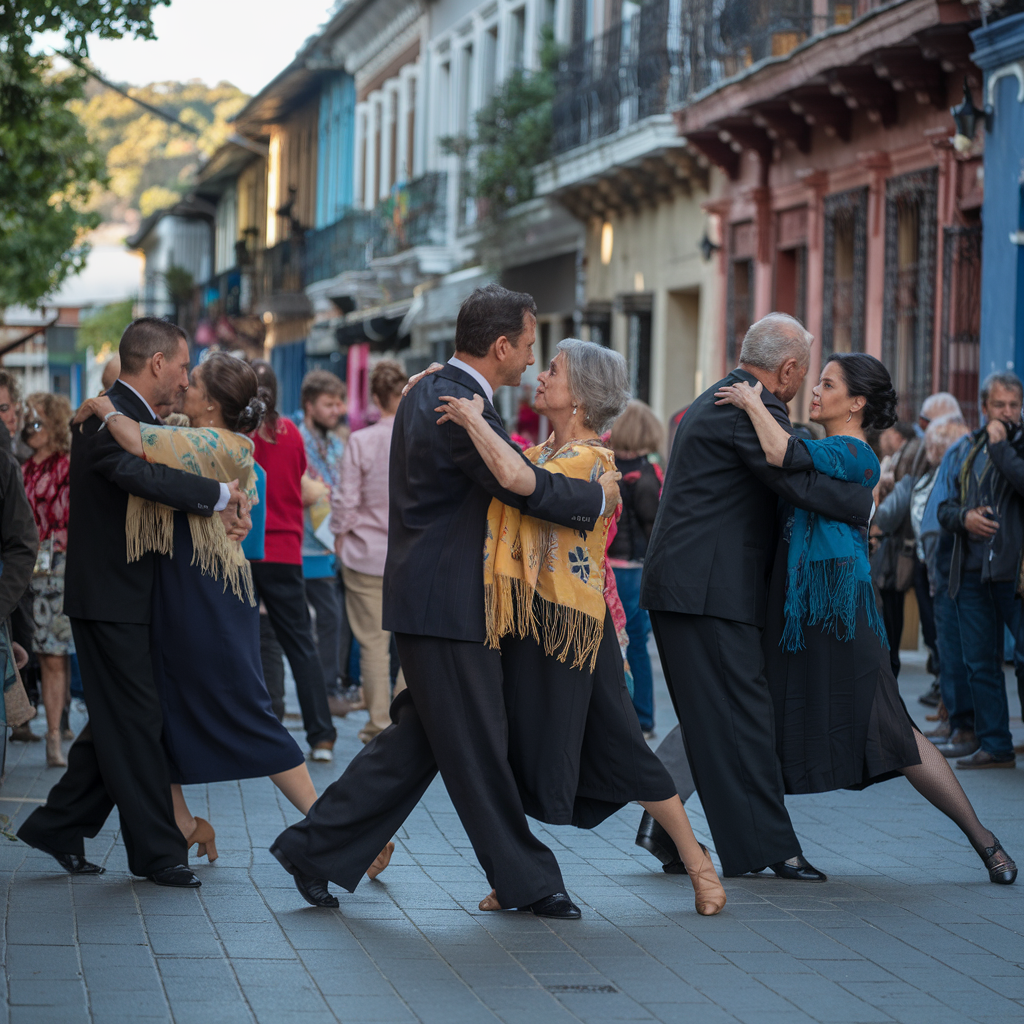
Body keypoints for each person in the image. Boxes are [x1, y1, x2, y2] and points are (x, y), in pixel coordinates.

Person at [270, 284, 620, 916]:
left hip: (437, 600)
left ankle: (313, 850)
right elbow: (524, 487)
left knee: (419, 745)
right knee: (478, 747)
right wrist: (596, 499)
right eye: (529, 348)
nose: (531, 363)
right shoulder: (454, 403)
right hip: (448, 603)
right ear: (501, 345)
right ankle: (530, 880)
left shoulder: (437, 391)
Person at [438, 339, 726, 917]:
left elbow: (518, 479)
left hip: (575, 630)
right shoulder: (547, 448)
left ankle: (698, 865)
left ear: (583, 396)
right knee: (509, 748)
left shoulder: (591, 462)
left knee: (625, 749)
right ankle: (516, 873)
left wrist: (473, 415)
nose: (541, 378)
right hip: (528, 622)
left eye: (554, 371)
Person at [713, 354, 1016, 885]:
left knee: (895, 730)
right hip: (799, 609)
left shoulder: (856, 453)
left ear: (856, 403)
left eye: (827, 384)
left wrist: (750, 399)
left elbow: (782, 451)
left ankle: (983, 838)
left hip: (843, 609)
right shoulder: (828, 450)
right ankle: (673, 829)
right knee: (745, 709)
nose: (814, 390)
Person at [637, 313, 874, 881]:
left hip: (696, 588)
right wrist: (863, 506)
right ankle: (772, 849)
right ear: (788, 369)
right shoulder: (751, 407)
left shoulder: (722, 396)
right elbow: (795, 477)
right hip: (707, 591)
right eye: (807, 373)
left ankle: (675, 837)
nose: (806, 385)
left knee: (718, 718)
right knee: (744, 718)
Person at [18, 317, 248, 888]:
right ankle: (157, 853)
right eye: (183, 365)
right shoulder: (102, 421)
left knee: (118, 722)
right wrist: (220, 495)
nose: (186, 376)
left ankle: (58, 825)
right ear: (155, 364)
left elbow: (183, 458)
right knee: (139, 720)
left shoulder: (133, 416)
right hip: (110, 600)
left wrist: (233, 490)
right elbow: (147, 479)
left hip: (133, 598)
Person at [75, 353, 318, 861]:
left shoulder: (219, 443)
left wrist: (103, 405)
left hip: (208, 595)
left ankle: (336, 825)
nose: (183, 383)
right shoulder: (188, 432)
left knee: (248, 710)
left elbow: (142, 441)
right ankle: (184, 824)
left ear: (210, 402)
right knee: (158, 707)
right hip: (181, 589)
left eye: (193, 379)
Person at [249, 361, 338, 763]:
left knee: (242, 642)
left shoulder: (238, 437)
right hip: (286, 552)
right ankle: (322, 736)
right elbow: (301, 482)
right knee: (301, 643)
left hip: (244, 551)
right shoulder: (291, 435)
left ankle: (250, 728)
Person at [937, 371, 1024, 770]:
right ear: (984, 407)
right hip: (971, 572)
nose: (1007, 413)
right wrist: (965, 518)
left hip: (1014, 574)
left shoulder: (1016, 445)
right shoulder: (967, 449)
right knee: (979, 662)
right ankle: (995, 745)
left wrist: (1002, 446)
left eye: (1014, 405)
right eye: (1000, 405)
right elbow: (944, 508)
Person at [331, 360, 407, 744]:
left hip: (365, 552)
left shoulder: (360, 441)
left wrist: (339, 534)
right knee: (410, 643)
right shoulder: (420, 438)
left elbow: (346, 499)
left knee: (373, 644)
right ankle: (408, 723)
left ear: (375, 398)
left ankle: (378, 725)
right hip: (411, 554)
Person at [20, 393, 75, 767]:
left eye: (37, 422)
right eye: (28, 421)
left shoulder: (67, 467)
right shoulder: (23, 468)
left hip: (57, 569)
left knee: (53, 655)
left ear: (55, 427)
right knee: (39, 653)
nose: (30, 428)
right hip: (27, 570)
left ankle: (54, 736)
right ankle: (53, 720)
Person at [297, 369, 354, 718]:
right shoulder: (296, 441)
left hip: (327, 546)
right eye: (328, 404)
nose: (337, 410)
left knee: (332, 617)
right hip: (299, 542)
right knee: (294, 624)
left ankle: (329, 688)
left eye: (339, 404)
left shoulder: (339, 443)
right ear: (309, 405)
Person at [608, 400, 663, 737]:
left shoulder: (605, 467)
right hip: (632, 569)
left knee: (613, 645)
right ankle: (642, 717)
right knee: (636, 645)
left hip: (608, 564)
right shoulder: (646, 476)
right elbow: (654, 528)